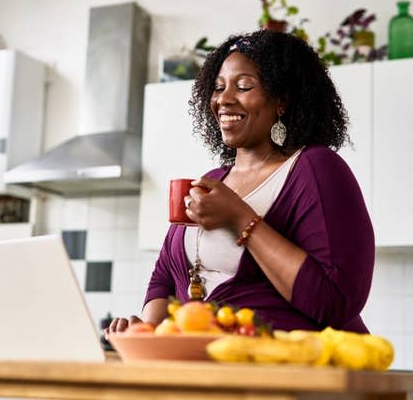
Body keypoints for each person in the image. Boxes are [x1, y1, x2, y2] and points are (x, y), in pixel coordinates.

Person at [107, 29, 374, 336]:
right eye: (218, 88)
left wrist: (241, 217)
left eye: (244, 86)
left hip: (295, 369)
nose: (223, 99)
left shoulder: (315, 168)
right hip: (213, 367)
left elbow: (335, 300)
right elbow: (166, 275)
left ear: (282, 101)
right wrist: (148, 328)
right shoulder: (212, 181)